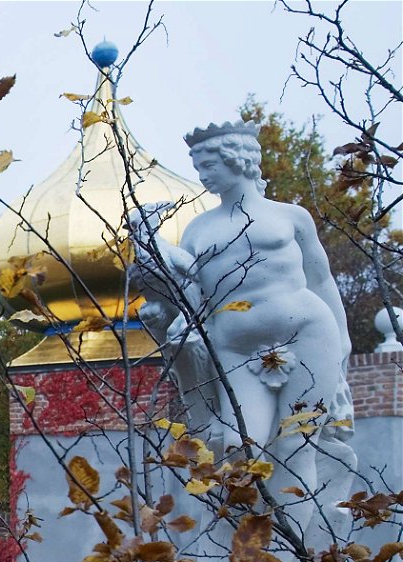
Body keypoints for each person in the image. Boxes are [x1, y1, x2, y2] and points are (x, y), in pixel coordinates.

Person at [131, 121, 355, 538]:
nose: (203, 174)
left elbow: (321, 279)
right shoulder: (198, 229)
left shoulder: (289, 216)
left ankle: (292, 555)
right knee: (238, 447)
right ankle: (250, 553)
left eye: (209, 164)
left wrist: (342, 342)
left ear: (239, 160)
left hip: (308, 334)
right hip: (236, 348)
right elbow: (187, 290)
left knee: (296, 445)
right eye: (198, 166)